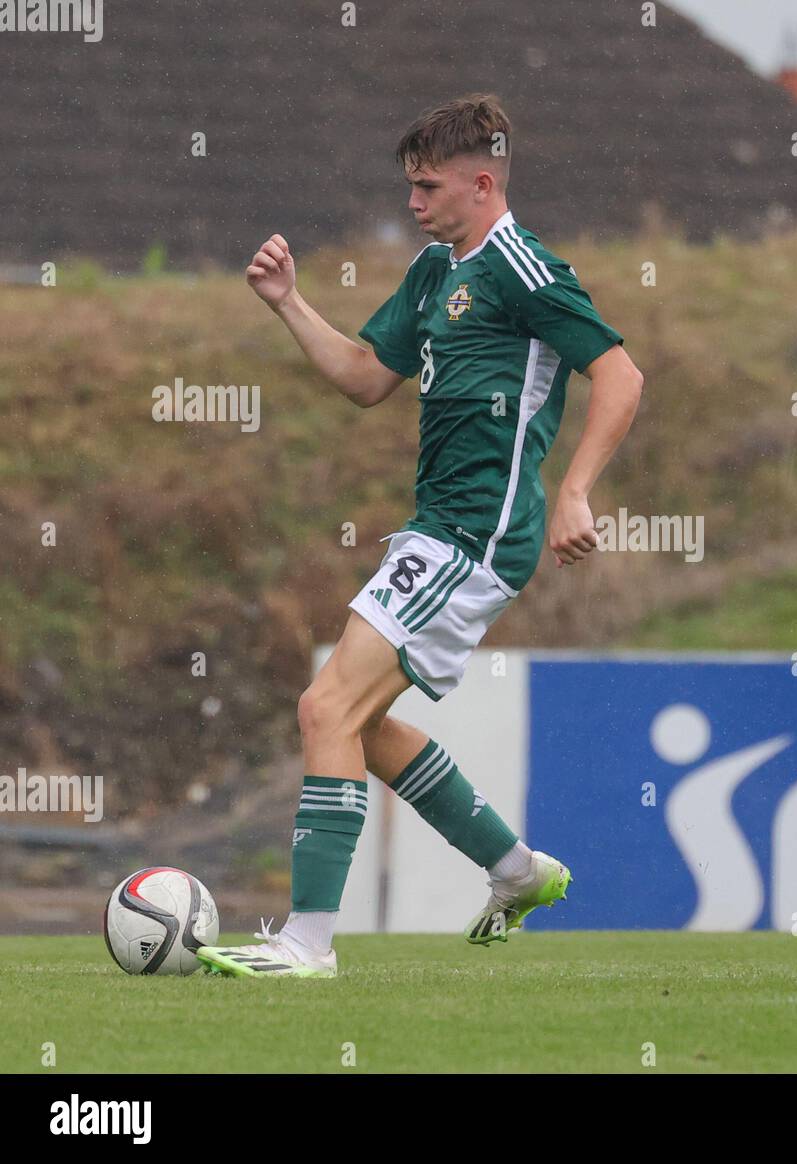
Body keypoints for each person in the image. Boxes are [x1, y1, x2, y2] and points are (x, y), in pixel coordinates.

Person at [198, 95, 643, 977]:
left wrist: (577, 495)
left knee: (325, 708)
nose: (413, 204)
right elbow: (367, 378)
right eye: (409, 187)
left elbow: (621, 376)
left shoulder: (525, 268)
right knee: (358, 726)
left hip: (478, 533)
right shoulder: (438, 271)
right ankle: (517, 872)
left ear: (483, 183)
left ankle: (308, 945)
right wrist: (288, 305)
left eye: (427, 187)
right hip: (436, 528)